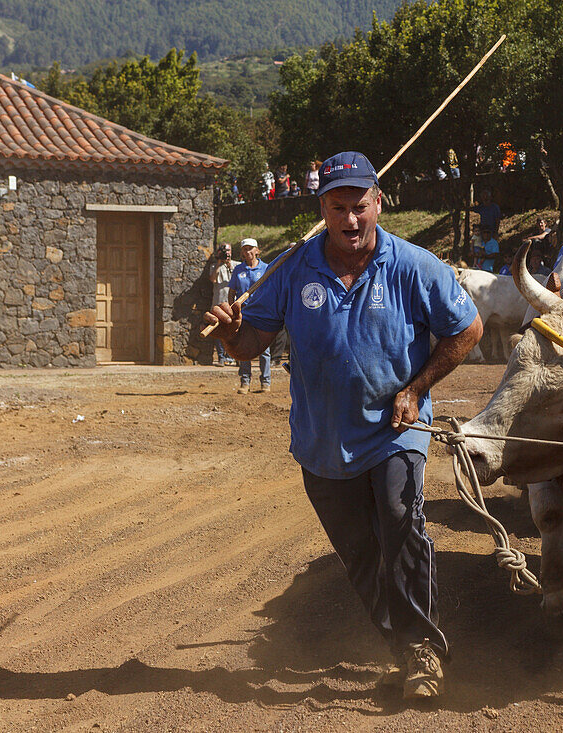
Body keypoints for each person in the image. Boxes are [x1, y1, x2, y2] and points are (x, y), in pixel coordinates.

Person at [204, 151, 482, 699]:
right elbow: (250, 345)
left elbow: (467, 330)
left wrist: (417, 387)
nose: (350, 220)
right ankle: (401, 646)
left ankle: (422, 650)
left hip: (394, 433)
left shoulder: (413, 266)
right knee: (361, 555)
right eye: (338, 208)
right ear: (322, 209)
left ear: (378, 202)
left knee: (401, 524)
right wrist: (231, 335)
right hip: (322, 442)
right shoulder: (292, 267)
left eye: (360, 206)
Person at [228, 239, 272, 394]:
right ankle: (245, 382)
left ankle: (265, 382)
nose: (248, 252)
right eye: (244, 249)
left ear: (257, 251)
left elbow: (271, 291)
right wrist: (232, 310)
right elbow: (232, 291)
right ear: (241, 253)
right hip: (243, 313)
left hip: (261, 313)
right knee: (244, 346)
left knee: (264, 350)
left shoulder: (266, 268)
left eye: (250, 249)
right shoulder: (238, 270)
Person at [210, 244, 238, 366]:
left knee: (235, 330)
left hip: (233, 303)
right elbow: (212, 279)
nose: (227, 253)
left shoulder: (237, 265)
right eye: (224, 251)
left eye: (228, 251)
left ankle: (235, 356)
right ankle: (221, 356)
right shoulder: (215, 266)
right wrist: (219, 263)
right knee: (219, 330)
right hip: (218, 302)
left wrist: (229, 265)